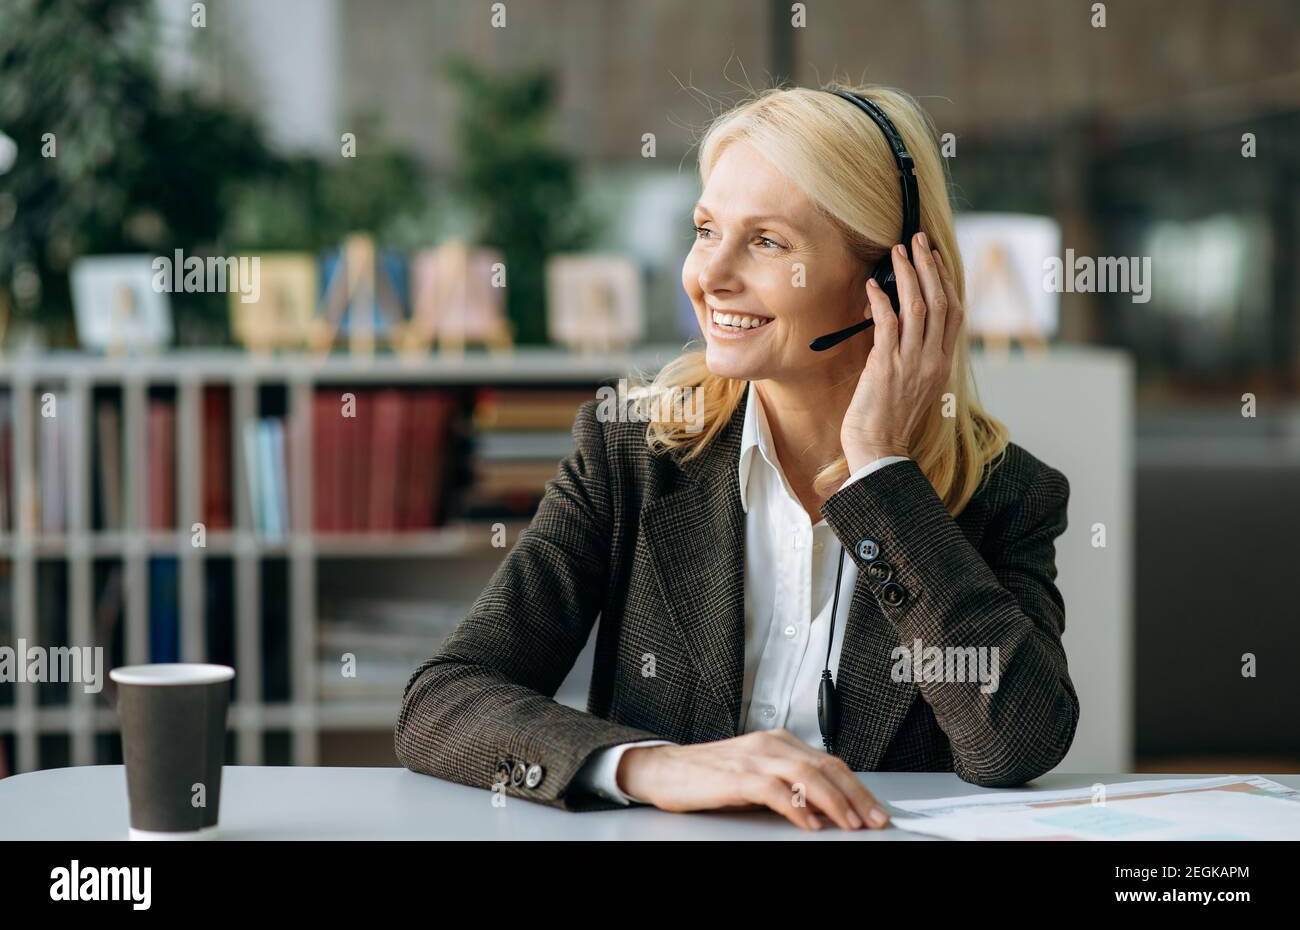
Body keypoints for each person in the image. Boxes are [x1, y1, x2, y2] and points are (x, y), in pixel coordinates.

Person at [396, 83, 1077, 831]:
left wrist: (881, 474)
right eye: (705, 229)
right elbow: (444, 699)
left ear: (888, 282)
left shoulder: (1006, 493)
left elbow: (1016, 742)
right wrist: (655, 766)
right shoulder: (631, 453)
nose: (709, 276)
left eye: (767, 241)